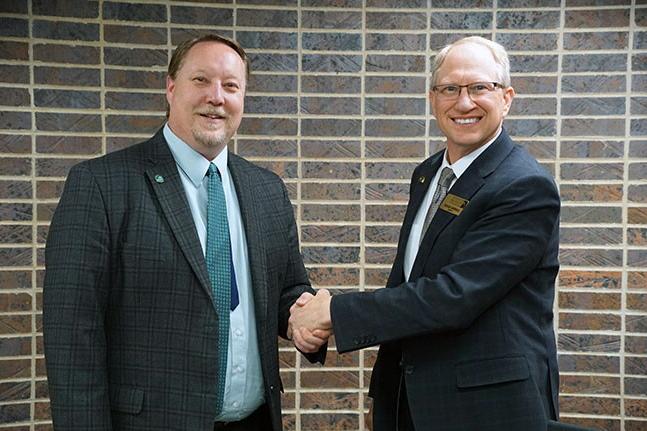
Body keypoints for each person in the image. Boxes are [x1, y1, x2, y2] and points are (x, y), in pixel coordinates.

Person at [43, 34, 325, 431]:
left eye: (231, 86)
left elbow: (287, 289)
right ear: (171, 87)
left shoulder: (267, 190)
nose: (217, 97)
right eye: (201, 81)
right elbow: (71, 337)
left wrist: (304, 316)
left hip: (256, 421)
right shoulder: (101, 185)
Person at [289, 36, 560, 431]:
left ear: (507, 98)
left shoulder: (524, 186)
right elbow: (409, 281)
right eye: (450, 88)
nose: (463, 102)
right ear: (433, 98)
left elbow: (453, 296)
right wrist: (384, 393)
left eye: (479, 87)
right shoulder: (429, 173)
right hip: (411, 401)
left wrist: (332, 313)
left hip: (487, 409)